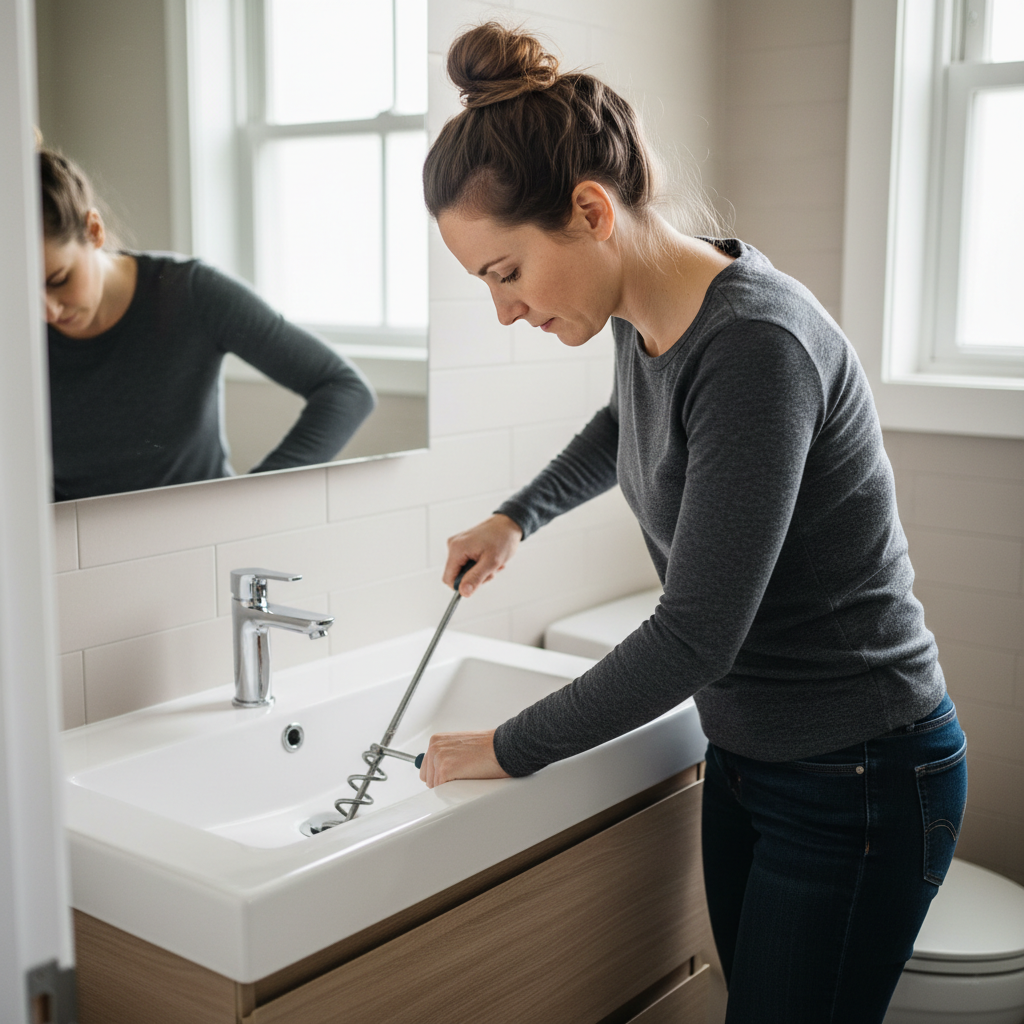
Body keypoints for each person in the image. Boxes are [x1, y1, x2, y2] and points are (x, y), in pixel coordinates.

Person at [415, 22, 968, 1024]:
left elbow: (696, 632)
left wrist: (509, 744)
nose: (503, 310)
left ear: (588, 210)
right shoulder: (653, 311)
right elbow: (625, 419)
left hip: (859, 770)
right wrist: (514, 516)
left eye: (504, 272)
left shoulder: (754, 342)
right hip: (754, 756)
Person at [39, 141, 376, 501]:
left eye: (58, 280)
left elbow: (345, 390)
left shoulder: (191, 293)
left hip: (202, 541)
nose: (48, 311)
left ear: (94, 231)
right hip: (72, 551)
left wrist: (252, 496)